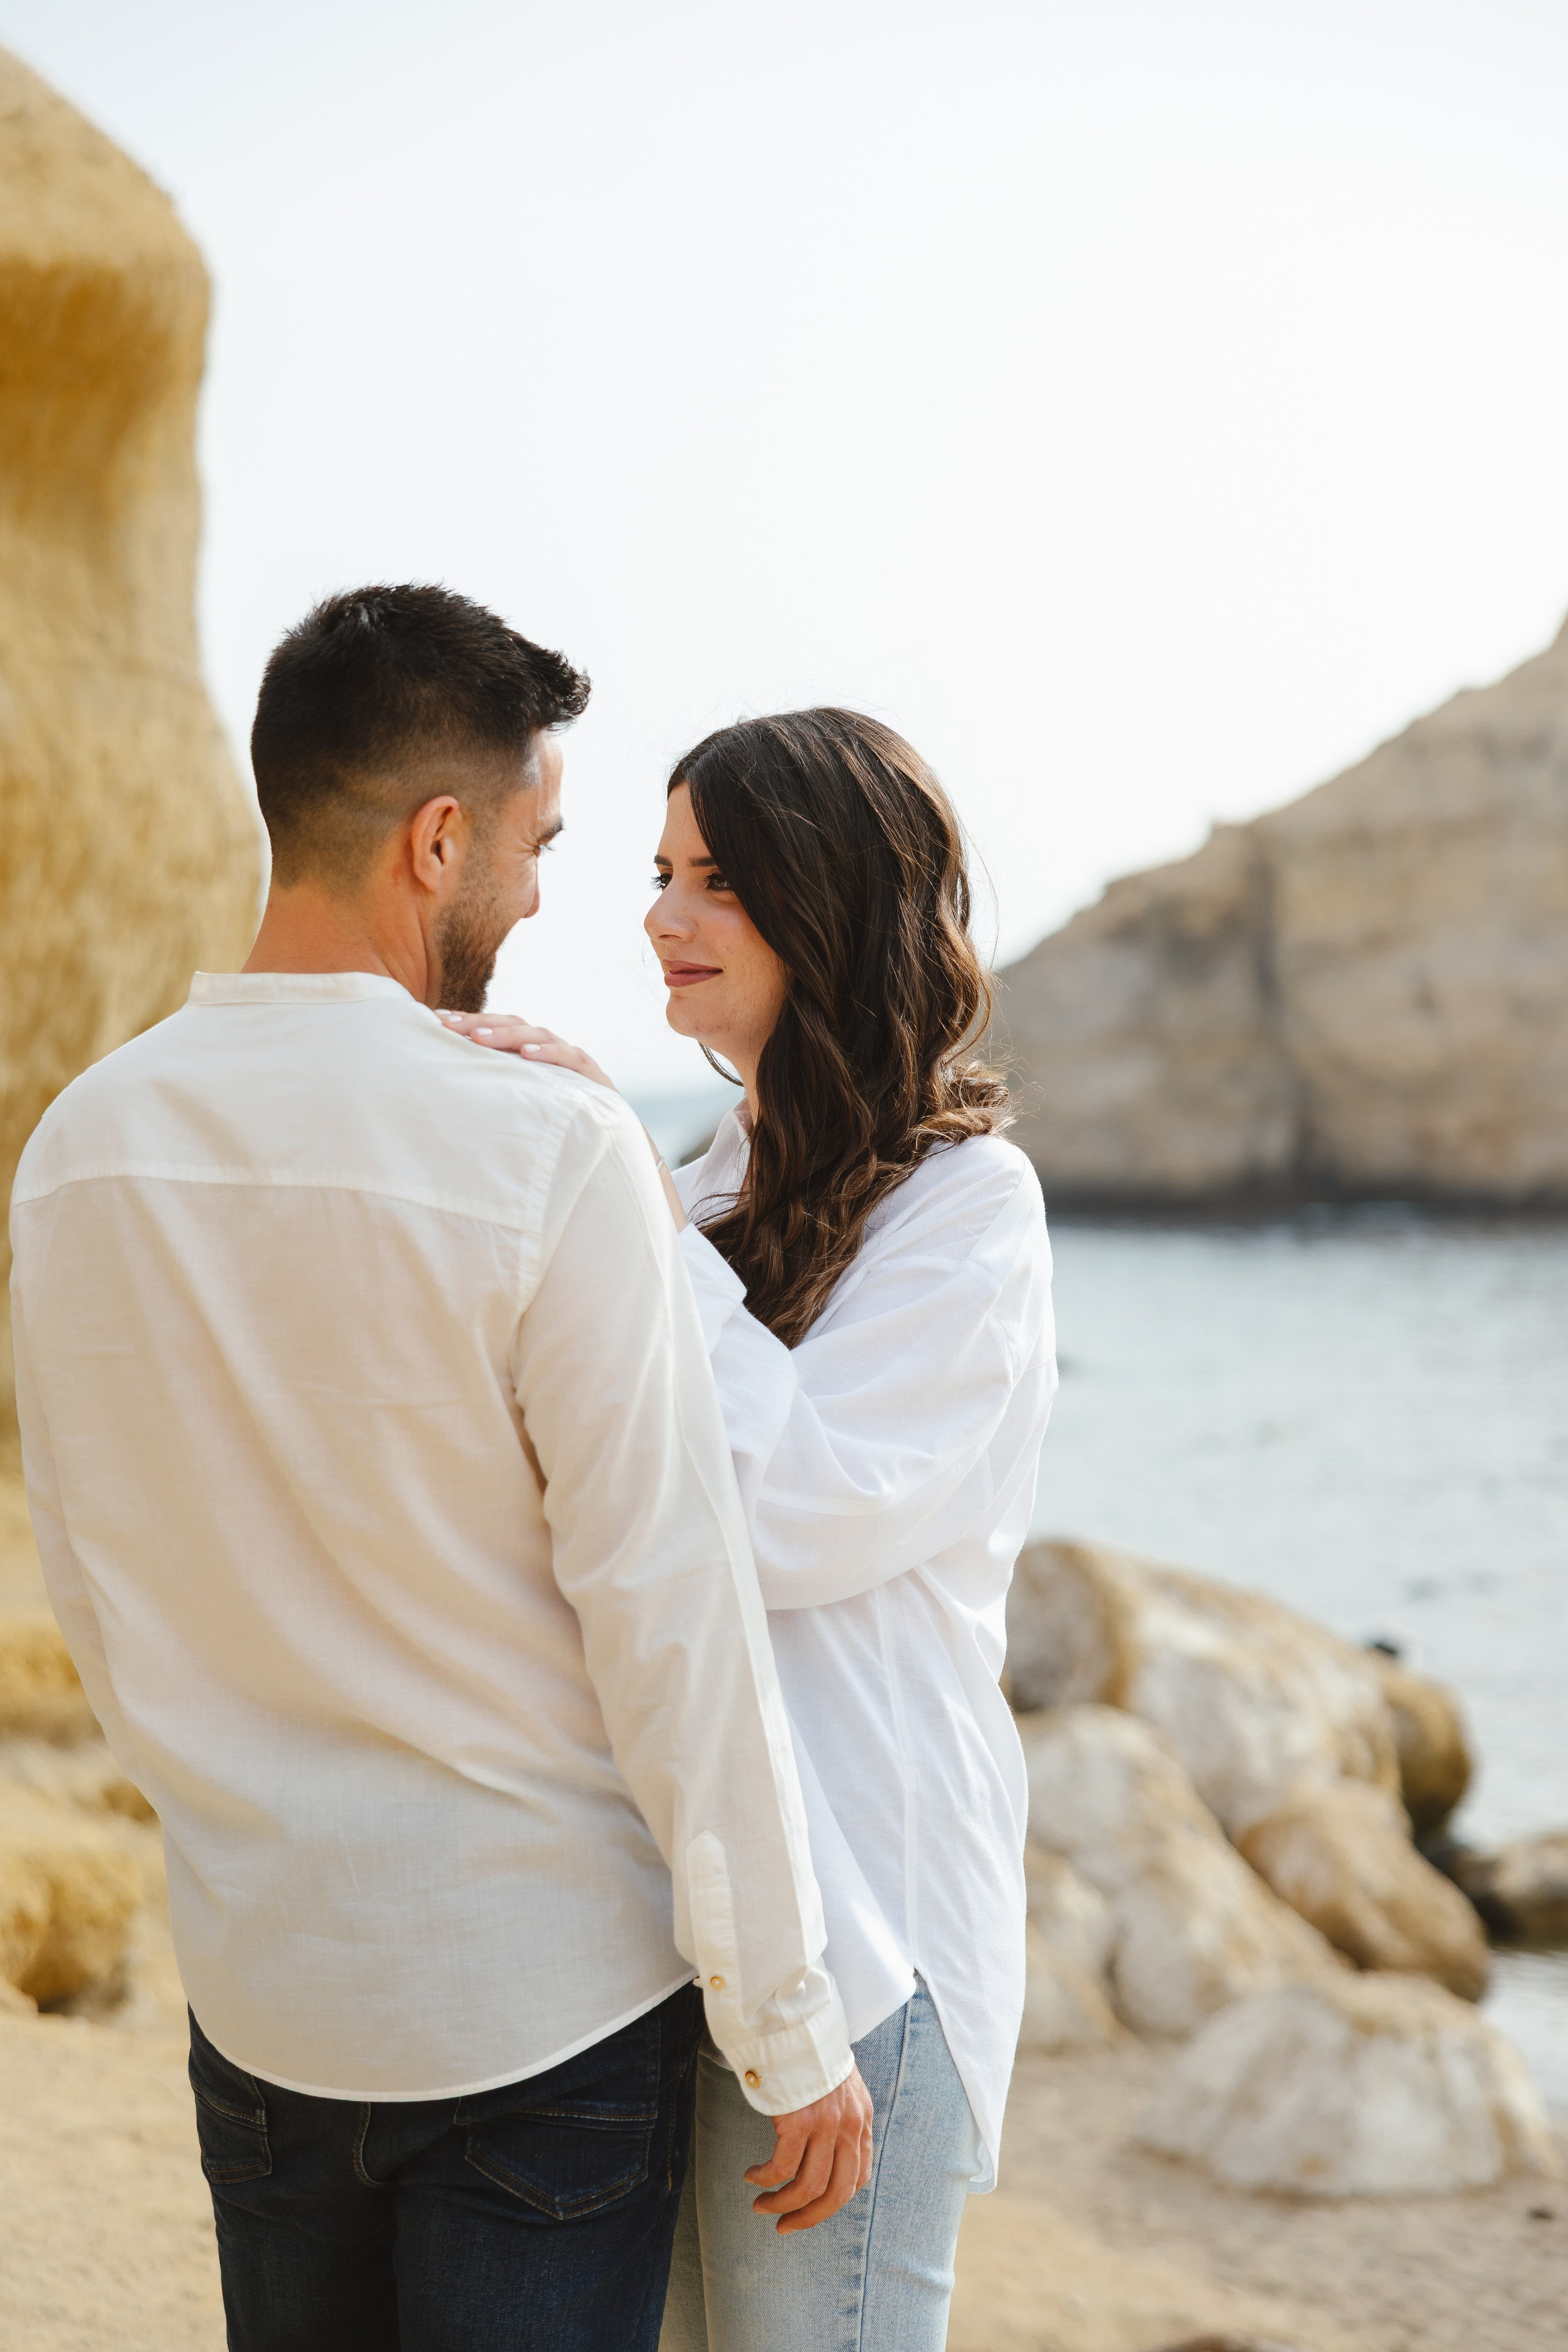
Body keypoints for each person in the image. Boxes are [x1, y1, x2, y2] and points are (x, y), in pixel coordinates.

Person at [9, 590, 873, 2352]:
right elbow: (669, 1614)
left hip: (263, 1996)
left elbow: (92, 1590)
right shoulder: (551, 1144)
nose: (549, 896)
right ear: (438, 839)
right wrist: (789, 2023)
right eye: (543, 845)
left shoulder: (78, 1147)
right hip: (536, 2020)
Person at [443, 706, 1057, 2350]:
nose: (660, 915)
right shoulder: (705, 1190)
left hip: (875, 1952)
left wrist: (625, 1203)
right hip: (694, 1941)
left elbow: (786, 1516)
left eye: (719, 879)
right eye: (661, 871)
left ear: (833, 900)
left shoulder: (969, 1209)